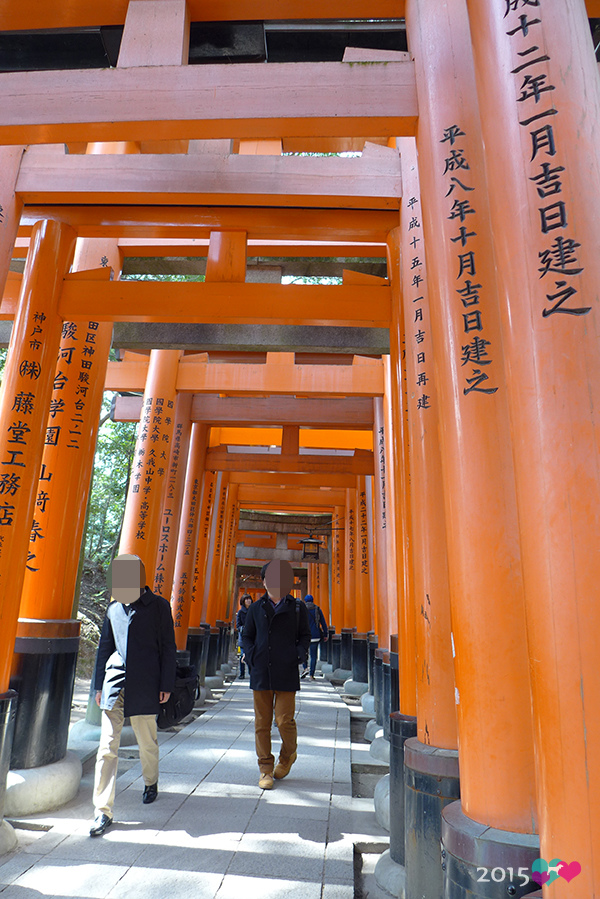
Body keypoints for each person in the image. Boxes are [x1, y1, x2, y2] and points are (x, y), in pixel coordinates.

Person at [89, 553, 177, 837]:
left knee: (146, 740)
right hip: (116, 683)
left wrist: (166, 684)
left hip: (146, 683)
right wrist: (98, 687)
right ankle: (102, 811)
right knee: (107, 747)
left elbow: (168, 648)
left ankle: (150, 782)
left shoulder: (159, 607)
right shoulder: (113, 608)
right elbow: (105, 647)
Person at [241, 560, 311, 790]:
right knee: (262, 724)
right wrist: (252, 657)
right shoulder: (255, 608)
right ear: (264, 581)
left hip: (286, 671)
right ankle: (265, 769)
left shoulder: (297, 607)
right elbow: (247, 636)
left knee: (284, 721)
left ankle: (287, 755)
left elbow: (304, 636)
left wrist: (298, 655)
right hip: (261, 671)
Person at [300, 594, 328, 680]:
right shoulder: (317, 609)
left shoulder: (302, 610)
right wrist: (326, 634)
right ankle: (311, 675)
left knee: (303, 653)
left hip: (304, 636)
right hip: (315, 635)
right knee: (313, 656)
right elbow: (323, 622)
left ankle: (305, 668)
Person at [236, 594, 253, 679]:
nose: (248, 601)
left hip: (252, 637)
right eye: (246, 599)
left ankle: (251, 672)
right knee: (242, 655)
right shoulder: (240, 612)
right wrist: (242, 629)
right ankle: (242, 673)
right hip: (243, 637)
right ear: (243, 601)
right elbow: (238, 625)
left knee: (250, 655)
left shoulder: (253, 611)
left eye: (249, 599)